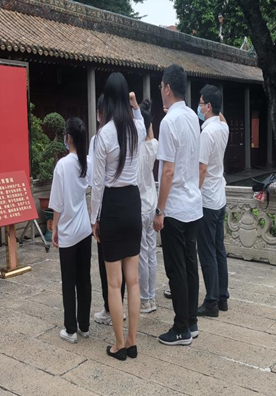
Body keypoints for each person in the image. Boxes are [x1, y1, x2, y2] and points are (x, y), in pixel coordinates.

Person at [91, 72, 146, 360]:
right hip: (133, 202)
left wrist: (94, 219)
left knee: (114, 283)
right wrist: (134, 104)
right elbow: (140, 118)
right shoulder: (137, 128)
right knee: (133, 281)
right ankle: (133, 341)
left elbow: (97, 184)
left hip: (112, 205)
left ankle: (118, 344)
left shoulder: (104, 135)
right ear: (126, 97)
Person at [153, 64, 202, 346]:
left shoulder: (169, 121)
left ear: (168, 88)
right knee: (190, 263)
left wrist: (160, 210)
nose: (161, 90)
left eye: (161, 86)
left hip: (175, 206)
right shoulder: (193, 117)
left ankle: (181, 327)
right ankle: (191, 322)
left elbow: (168, 172)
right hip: (193, 203)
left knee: (176, 268)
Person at [49, 117, 93, 344]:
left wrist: (54, 227)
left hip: (68, 232)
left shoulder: (63, 165)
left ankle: (71, 329)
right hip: (84, 229)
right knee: (84, 278)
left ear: (68, 138)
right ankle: (84, 325)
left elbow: (57, 203)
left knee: (69, 281)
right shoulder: (87, 162)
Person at [91, 94, 127, 326]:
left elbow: (97, 182)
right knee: (124, 264)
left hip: (107, 207)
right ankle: (119, 306)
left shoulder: (100, 138)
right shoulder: (128, 132)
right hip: (128, 204)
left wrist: (94, 217)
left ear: (99, 113)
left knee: (108, 266)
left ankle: (110, 308)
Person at [196, 85, 230, 317]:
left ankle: (211, 301)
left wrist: (194, 193)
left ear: (208, 106)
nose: (198, 107)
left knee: (207, 251)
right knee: (219, 249)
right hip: (220, 196)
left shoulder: (206, 133)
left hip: (207, 198)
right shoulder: (223, 127)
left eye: (201, 103)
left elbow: (201, 168)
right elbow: (222, 118)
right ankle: (222, 297)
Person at [137, 99, 159, 313]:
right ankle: (151, 296)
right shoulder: (152, 146)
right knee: (151, 251)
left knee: (142, 254)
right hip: (152, 204)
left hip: (139, 206)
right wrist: (148, 119)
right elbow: (150, 135)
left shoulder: (134, 150)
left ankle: (144, 299)